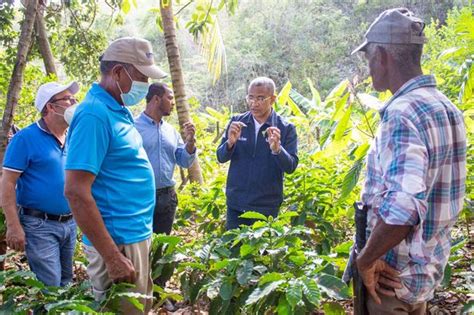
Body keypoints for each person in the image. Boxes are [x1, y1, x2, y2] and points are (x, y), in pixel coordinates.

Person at [350, 8, 467, 314]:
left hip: (388, 284)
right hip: (422, 278)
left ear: (383, 57)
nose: (368, 67)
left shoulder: (402, 113)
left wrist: (365, 260)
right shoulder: (447, 108)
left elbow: (403, 207)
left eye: (369, 58)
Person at [64, 37, 167, 314]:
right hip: (117, 242)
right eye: (141, 76)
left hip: (133, 235)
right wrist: (111, 257)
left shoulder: (119, 110)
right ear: (118, 72)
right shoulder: (94, 115)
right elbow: (76, 191)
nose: (145, 84)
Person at [1, 81, 80, 286]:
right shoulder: (25, 138)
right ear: (50, 107)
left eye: (74, 99)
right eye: (68, 99)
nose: (73, 103)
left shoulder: (72, 136)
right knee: (50, 286)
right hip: (39, 225)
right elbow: (7, 183)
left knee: (66, 283)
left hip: (70, 223)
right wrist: (13, 225)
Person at [216, 77, 298, 230]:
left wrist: (277, 150)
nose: (254, 103)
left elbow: (291, 167)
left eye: (260, 98)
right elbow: (221, 157)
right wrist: (230, 143)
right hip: (236, 204)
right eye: (251, 97)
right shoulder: (237, 122)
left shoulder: (285, 128)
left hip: (267, 206)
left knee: (263, 252)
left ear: (272, 99)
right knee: (234, 251)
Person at [135, 83, 196, 235]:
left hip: (167, 198)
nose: (173, 102)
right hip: (140, 196)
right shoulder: (133, 127)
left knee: (161, 249)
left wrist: (190, 142)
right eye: (169, 98)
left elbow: (184, 161)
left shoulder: (171, 131)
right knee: (139, 245)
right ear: (156, 99)